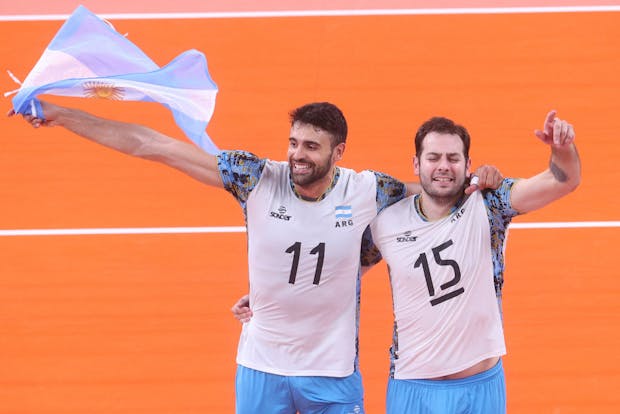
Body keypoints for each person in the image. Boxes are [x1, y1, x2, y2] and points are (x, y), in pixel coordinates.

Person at [10, 100, 501, 414]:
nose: (297, 155)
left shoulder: (369, 189)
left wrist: (480, 181)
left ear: (339, 152)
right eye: (293, 143)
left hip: (331, 374)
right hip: (261, 367)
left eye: (311, 146)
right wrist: (61, 116)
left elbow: (436, 193)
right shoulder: (254, 178)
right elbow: (152, 146)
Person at [231, 110, 580, 413]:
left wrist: (562, 150)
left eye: (453, 158)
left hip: (480, 384)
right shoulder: (386, 222)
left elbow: (561, 181)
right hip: (412, 386)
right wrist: (273, 296)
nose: (443, 166)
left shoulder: (489, 205)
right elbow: (340, 269)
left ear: (468, 165)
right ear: (416, 164)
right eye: (433, 157)